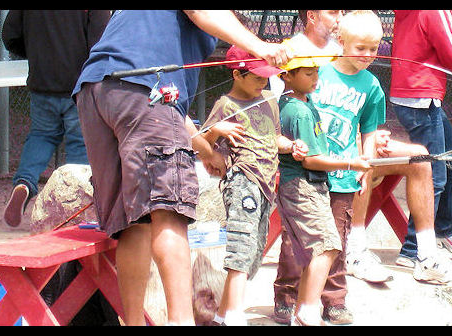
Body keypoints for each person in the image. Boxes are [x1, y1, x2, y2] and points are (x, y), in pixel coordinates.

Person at [71, 10, 291, 326]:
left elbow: (161, 102)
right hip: (141, 86)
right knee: (168, 213)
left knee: (134, 222)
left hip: (97, 90)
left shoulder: (147, 31)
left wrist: (204, 150)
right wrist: (260, 46)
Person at [312, 10, 452, 286]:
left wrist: (373, 143)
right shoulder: (317, 73)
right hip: (322, 156)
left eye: (374, 49)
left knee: (420, 157)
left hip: (357, 150)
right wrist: (362, 150)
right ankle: (355, 252)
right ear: (341, 40)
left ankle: (425, 256)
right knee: (362, 161)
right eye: (360, 48)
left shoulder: (372, 86)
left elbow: (368, 130)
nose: (368, 55)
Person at [200, 45, 308, 327]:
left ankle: (224, 314)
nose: (263, 83)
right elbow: (202, 147)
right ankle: (235, 315)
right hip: (242, 181)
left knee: (256, 248)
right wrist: (216, 131)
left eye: (266, 78)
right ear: (237, 74)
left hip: (266, 184)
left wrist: (292, 146)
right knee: (242, 244)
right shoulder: (225, 105)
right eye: (257, 78)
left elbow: (274, 138)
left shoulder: (269, 99)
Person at [270, 10, 357, 326]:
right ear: (288, 77)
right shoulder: (300, 111)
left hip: (306, 185)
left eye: (316, 73)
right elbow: (311, 160)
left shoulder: (303, 105)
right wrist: (351, 162)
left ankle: (301, 311)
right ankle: (306, 310)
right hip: (304, 186)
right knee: (328, 246)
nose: (315, 79)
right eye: (307, 74)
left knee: (314, 250)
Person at [1, 10, 111, 228]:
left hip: (42, 80)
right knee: (80, 143)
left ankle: (24, 183)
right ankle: (72, 206)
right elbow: (102, 42)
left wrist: (35, 53)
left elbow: (10, 35)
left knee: (41, 136)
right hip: (80, 84)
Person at [388, 10, 452, 270]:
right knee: (434, 177)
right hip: (421, 96)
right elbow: (448, 46)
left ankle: (444, 231)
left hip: (413, 94)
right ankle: (413, 249)